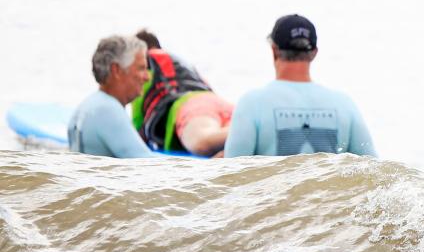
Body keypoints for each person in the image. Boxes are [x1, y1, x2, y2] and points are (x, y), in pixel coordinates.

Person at [224, 14, 377, 158]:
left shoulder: (252, 103)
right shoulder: (344, 104)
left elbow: (231, 175)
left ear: (274, 50)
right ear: (314, 53)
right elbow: (373, 169)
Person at [132, 29, 234, 157]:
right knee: (218, 137)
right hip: (220, 104)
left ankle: (241, 133)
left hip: (191, 108)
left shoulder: (143, 70)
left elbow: (138, 137)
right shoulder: (182, 63)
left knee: (202, 143)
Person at [68, 35, 161, 158]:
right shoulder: (107, 110)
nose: (147, 77)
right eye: (141, 68)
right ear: (116, 70)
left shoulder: (86, 106)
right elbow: (147, 165)